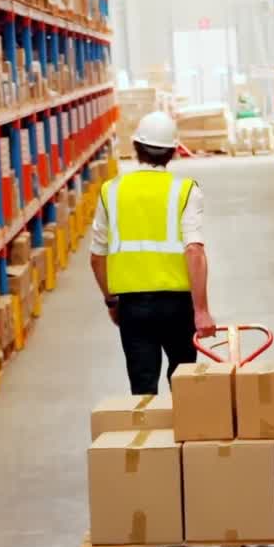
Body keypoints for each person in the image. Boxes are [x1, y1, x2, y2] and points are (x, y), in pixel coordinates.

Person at [90, 111, 216, 394]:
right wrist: (202, 310)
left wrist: (111, 302)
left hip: (133, 307)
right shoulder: (185, 190)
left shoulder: (111, 191)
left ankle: (146, 437)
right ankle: (185, 435)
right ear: (173, 151)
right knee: (186, 387)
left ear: (135, 147)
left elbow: (96, 258)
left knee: (143, 388)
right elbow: (194, 251)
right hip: (177, 306)